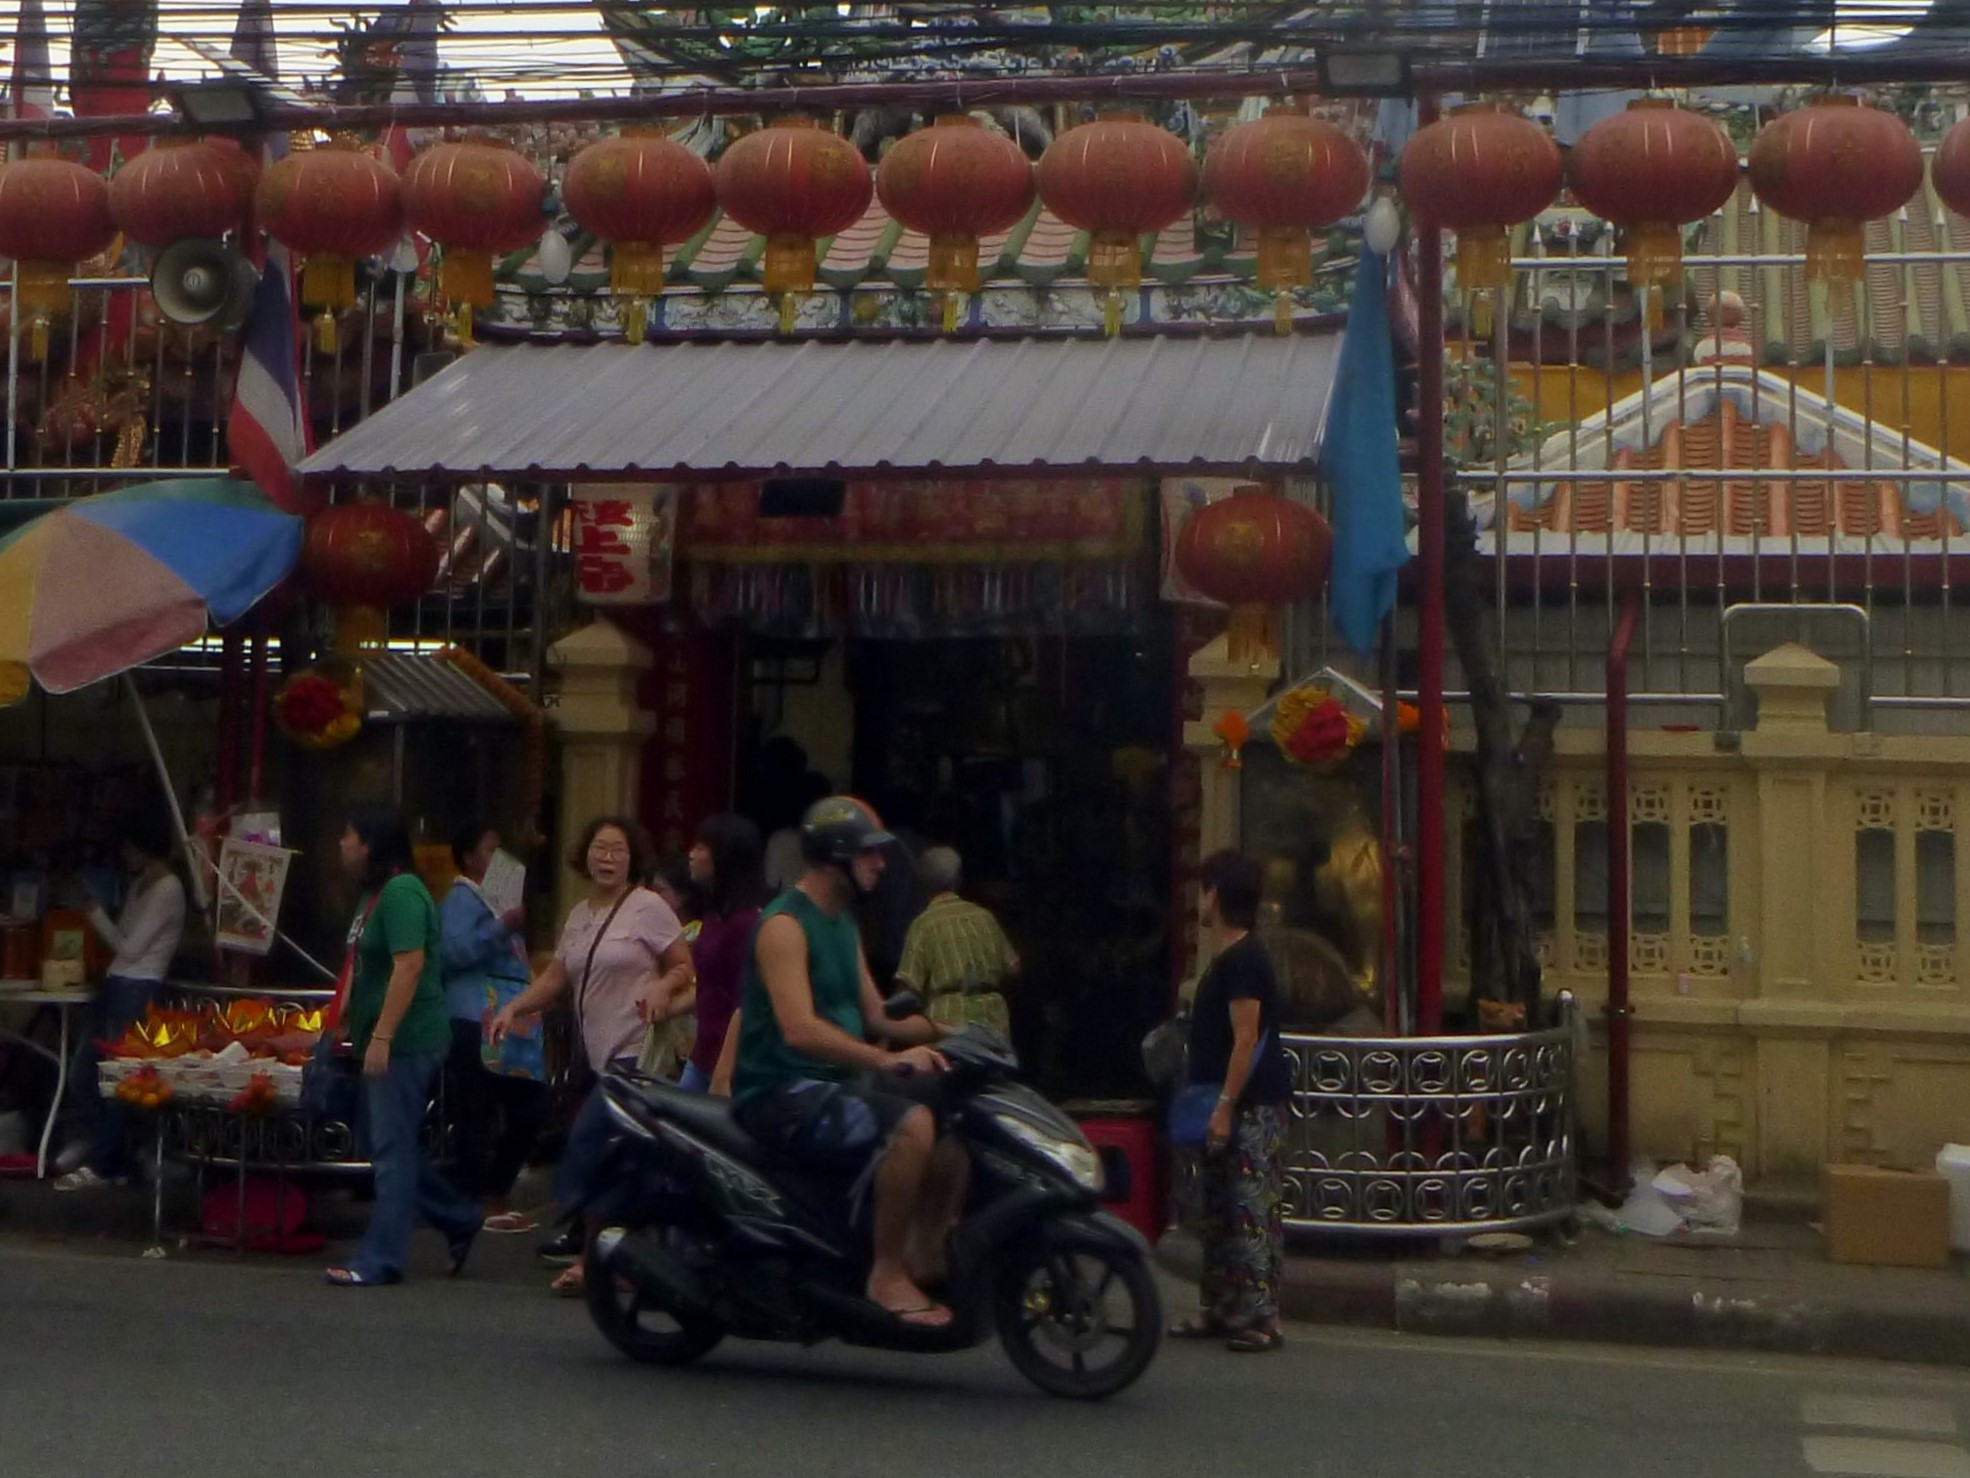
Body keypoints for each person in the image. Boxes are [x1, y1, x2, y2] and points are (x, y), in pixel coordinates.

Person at [732, 795, 964, 1328]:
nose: (880, 865)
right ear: (835, 858)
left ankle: (923, 1254)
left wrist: (952, 1034)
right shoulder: (784, 927)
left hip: (834, 1085)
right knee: (912, 1127)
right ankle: (885, 1274)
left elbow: (879, 1017)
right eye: (869, 856)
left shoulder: (842, 925)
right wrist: (885, 1064)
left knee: (954, 1123)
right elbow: (801, 1029)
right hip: (781, 1092)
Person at [489, 816, 694, 1293]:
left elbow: (683, 965)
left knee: (589, 1139)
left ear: (632, 860)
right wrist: (516, 1007)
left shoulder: (648, 907)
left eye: (617, 850)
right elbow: (558, 978)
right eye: (600, 849)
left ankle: (583, 1233)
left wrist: (662, 987)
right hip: (599, 1057)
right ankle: (603, 1258)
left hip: (639, 1053)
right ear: (584, 856)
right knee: (621, 1160)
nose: (607, 858)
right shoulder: (579, 915)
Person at [326, 808, 484, 1288]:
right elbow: (360, 963)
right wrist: (339, 1023)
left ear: (370, 844)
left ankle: (381, 1258)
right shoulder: (373, 895)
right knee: (383, 1142)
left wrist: (382, 1038)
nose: (341, 845)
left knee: (391, 1149)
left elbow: (409, 966)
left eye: (348, 836)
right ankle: (457, 1216)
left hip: (407, 1041)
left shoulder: (402, 893)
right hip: (379, 1036)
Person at [1171, 849, 1293, 1352]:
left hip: (1249, 1105)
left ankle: (1261, 1315)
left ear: (1216, 894)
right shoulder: (1231, 957)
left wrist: (1224, 1104)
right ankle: (1221, 1305)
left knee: (1250, 1207)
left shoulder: (1243, 960)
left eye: (1203, 890)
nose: (1199, 900)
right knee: (1220, 1208)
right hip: (1231, 1102)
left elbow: (1246, 1038)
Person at [56, 812, 187, 1192]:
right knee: (85, 1074)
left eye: (131, 847)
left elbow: (130, 947)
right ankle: (109, 1147)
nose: (126, 855)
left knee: (118, 1081)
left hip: (139, 987)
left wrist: (92, 910)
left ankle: (106, 1162)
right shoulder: (141, 885)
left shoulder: (168, 889)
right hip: (116, 983)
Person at [438, 821, 548, 1234]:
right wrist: (501, 927)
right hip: (472, 1017)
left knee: (531, 1105)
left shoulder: (502, 902)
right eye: (489, 850)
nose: (497, 859)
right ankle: (475, 1197)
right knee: (476, 1113)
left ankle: (492, 1188)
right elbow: (450, 953)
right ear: (469, 857)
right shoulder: (461, 899)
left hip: (512, 1020)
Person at [681, 814, 767, 1094]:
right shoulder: (714, 914)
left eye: (701, 848)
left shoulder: (747, 924)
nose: (692, 855)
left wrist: (723, 1074)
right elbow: (711, 989)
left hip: (731, 1070)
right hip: (701, 1058)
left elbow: (746, 1003)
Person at [893, 846, 1020, 1036]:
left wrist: (888, 1028)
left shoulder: (923, 925)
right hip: (994, 1020)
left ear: (922, 884)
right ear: (958, 880)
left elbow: (907, 989)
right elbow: (1014, 967)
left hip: (947, 1023)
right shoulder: (985, 917)